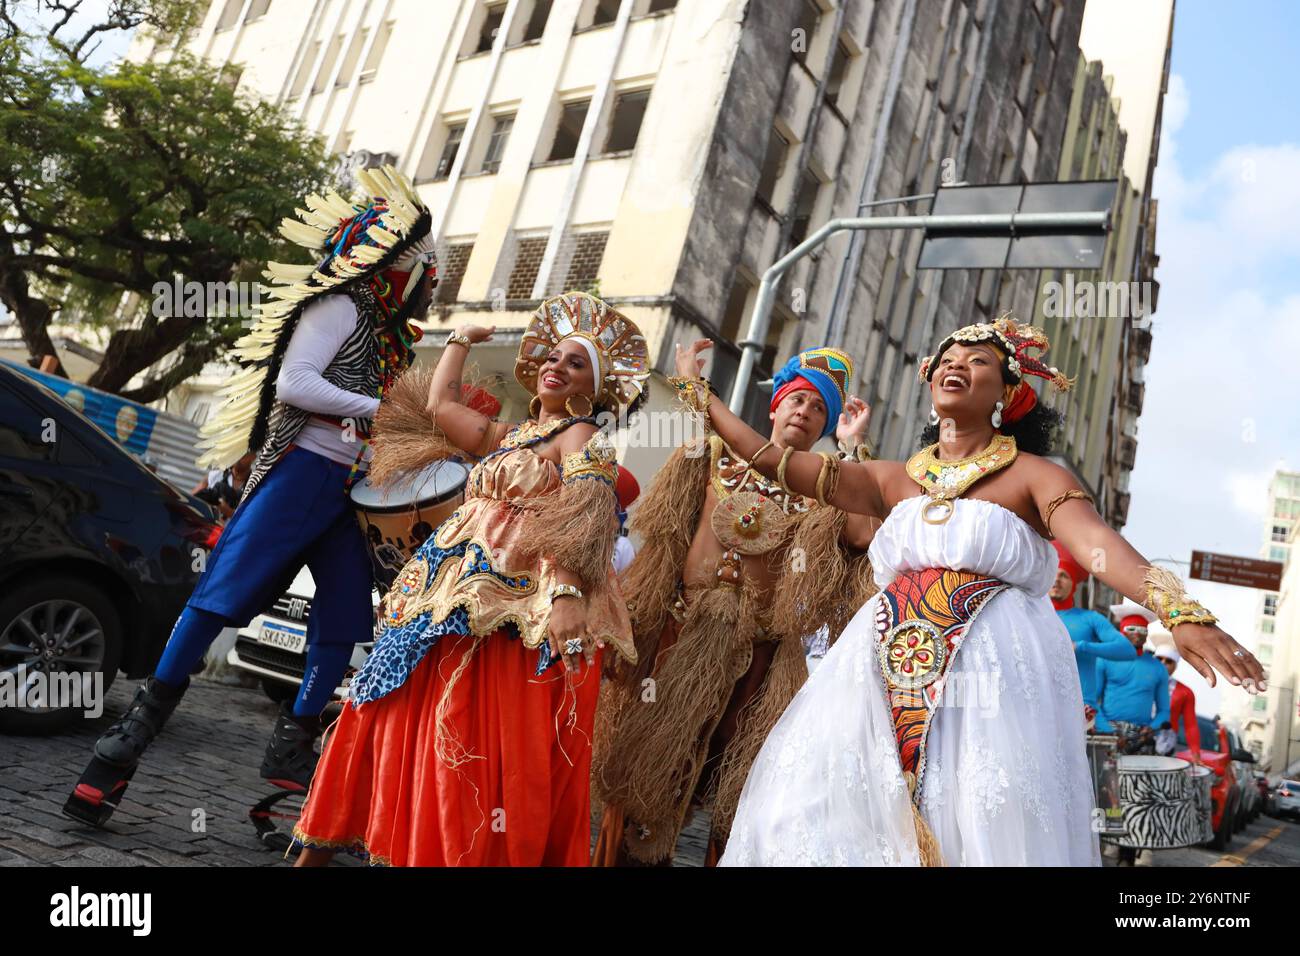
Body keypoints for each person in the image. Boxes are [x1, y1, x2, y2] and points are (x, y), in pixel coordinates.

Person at [669, 314, 1265, 866]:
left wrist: (1180, 611)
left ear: (1007, 394)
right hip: (875, 665)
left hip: (990, 679)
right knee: (812, 810)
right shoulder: (892, 478)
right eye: (947, 355)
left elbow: (1095, 547)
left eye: (978, 360)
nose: (957, 363)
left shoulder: (1036, 476)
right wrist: (703, 397)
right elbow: (772, 458)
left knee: (973, 821)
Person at [66, 167, 437, 826]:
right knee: (218, 600)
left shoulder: (387, 338)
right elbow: (295, 385)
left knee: (346, 619)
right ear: (387, 259)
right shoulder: (337, 306)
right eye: (421, 265)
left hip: (350, 492)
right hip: (301, 472)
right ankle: (124, 746)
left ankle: (293, 746)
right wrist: (379, 407)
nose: (430, 280)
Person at [291, 291, 648, 867]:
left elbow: (584, 516)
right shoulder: (508, 436)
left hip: (512, 606)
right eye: (553, 356)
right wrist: (458, 341)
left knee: (470, 726)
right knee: (384, 701)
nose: (557, 365)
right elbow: (438, 407)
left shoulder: (581, 437)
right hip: (445, 589)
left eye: (575, 363)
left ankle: (447, 850)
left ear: (593, 390)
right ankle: (338, 840)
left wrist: (564, 596)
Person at [592, 347, 877, 866]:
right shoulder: (714, 456)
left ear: (826, 426)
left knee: (734, 794)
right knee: (645, 779)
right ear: (774, 407)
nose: (805, 412)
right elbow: (663, 545)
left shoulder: (824, 493)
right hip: (681, 640)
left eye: (819, 408)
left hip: (760, 661)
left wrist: (853, 449)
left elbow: (862, 533)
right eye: (798, 400)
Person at [1050, 541, 1135, 726]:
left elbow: (1127, 649)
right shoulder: (1029, 614)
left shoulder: (1090, 619)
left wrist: (1080, 646)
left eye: (1064, 575)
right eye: (1053, 575)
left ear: (1074, 585)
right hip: (1037, 706)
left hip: (1077, 711)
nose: (1056, 580)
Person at [1095, 605, 1170, 755]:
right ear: (1122, 631)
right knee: (1105, 778)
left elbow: (1164, 711)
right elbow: (1091, 701)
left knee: (1136, 778)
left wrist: (1151, 727)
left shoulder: (1158, 668)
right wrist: (1108, 730)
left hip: (1142, 733)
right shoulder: (1105, 659)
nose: (1137, 633)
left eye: (1143, 630)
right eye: (1131, 629)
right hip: (1109, 730)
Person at [1155, 645, 1201, 762]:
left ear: (1175, 666)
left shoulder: (1185, 692)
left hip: (1165, 746)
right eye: (1159, 659)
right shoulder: (1136, 681)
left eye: (1169, 661)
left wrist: (1195, 752)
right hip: (1135, 738)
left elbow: (1190, 725)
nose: (1163, 663)